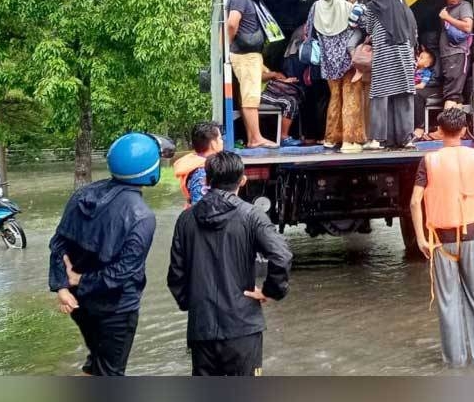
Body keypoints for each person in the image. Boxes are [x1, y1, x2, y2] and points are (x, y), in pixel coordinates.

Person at [167, 151, 292, 376]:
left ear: (206, 180)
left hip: (202, 328)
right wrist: (271, 291)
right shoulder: (252, 216)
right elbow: (281, 256)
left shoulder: (186, 219)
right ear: (242, 180)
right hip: (242, 327)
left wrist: (192, 304)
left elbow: (176, 275)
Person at [48, 133, 163, 376]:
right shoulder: (143, 217)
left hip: (78, 304)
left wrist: (62, 287)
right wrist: (79, 281)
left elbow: (58, 243)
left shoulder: (83, 194)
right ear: (150, 170)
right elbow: (122, 273)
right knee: (111, 372)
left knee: (96, 362)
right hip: (116, 309)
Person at [409, 107, 474, 367]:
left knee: (448, 302)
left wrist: (421, 238)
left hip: (440, 238)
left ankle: (454, 362)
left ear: (439, 131)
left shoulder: (429, 160)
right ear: (464, 130)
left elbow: (415, 202)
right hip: (471, 233)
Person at [350, 0, 416, 150]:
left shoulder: (372, 6)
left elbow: (369, 28)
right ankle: (406, 139)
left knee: (379, 96)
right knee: (404, 95)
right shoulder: (402, 6)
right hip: (403, 56)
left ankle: (376, 140)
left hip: (385, 55)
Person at [307, 0, 366, 153]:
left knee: (334, 98)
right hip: (348, 63)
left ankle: (330, 138)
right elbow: (365, 27)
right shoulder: (349, 7)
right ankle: (349, 140)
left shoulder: (315, 7)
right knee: (351, 99)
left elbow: (308, 31)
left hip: (328, 63)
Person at [226, 0, 276, 149]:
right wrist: (227, 45)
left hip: (248, 56)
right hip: (245, 56)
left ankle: (252, 138)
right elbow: (232, 24)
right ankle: (256, 138)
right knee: (251, 97)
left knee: (248, 97)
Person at [438, 0, 474, 110]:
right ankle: (456, 127)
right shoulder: (446, 9)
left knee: (451, 95)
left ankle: (447, 128)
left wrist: (447, 18)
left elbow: (468, 27)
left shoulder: (464, 6)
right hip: (448, 55)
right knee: (456, 96)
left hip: (457, 54)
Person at [173, 122, 224, 208]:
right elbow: (202, 210)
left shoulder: (197, 163)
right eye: (220, 138)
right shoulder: (202, 172)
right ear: (213, 144)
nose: (222, 142)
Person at [413, 48, 437, 138]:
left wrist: (411, 88)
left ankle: (420, 126)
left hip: (417, 89)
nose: (418, 58)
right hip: (413, 88)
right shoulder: (414, 70)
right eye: (419, 56)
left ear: (427, 64)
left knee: (416, 94)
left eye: (421, 58)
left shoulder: (426, 72)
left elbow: (422, 85)